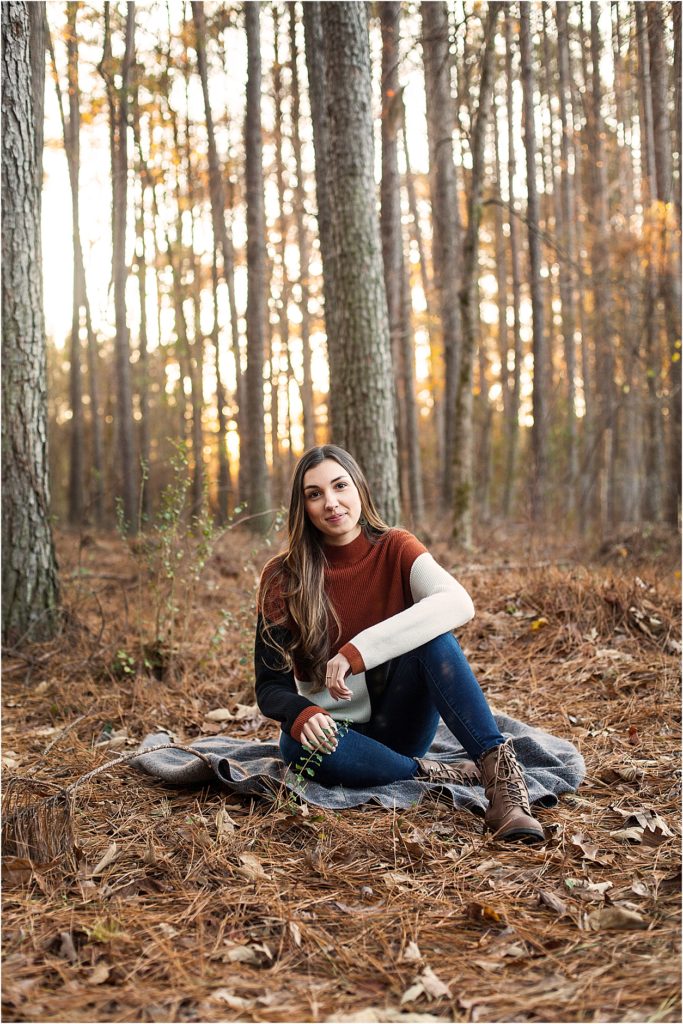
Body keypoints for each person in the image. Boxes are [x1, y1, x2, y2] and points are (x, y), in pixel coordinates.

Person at [254, 445, 544, 842]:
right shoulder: (282, 576)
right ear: (302, 506)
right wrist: (301, 712)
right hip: (335, 735)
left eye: (340, 486)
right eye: (315, 494)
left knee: (434, 638)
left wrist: (357, 652)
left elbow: (457, 602)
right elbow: (270, 686)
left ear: (359, 488)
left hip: (400, 720)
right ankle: (426, 772)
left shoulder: (395, 547)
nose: (332, 503)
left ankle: (501, 781)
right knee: (295, 743)